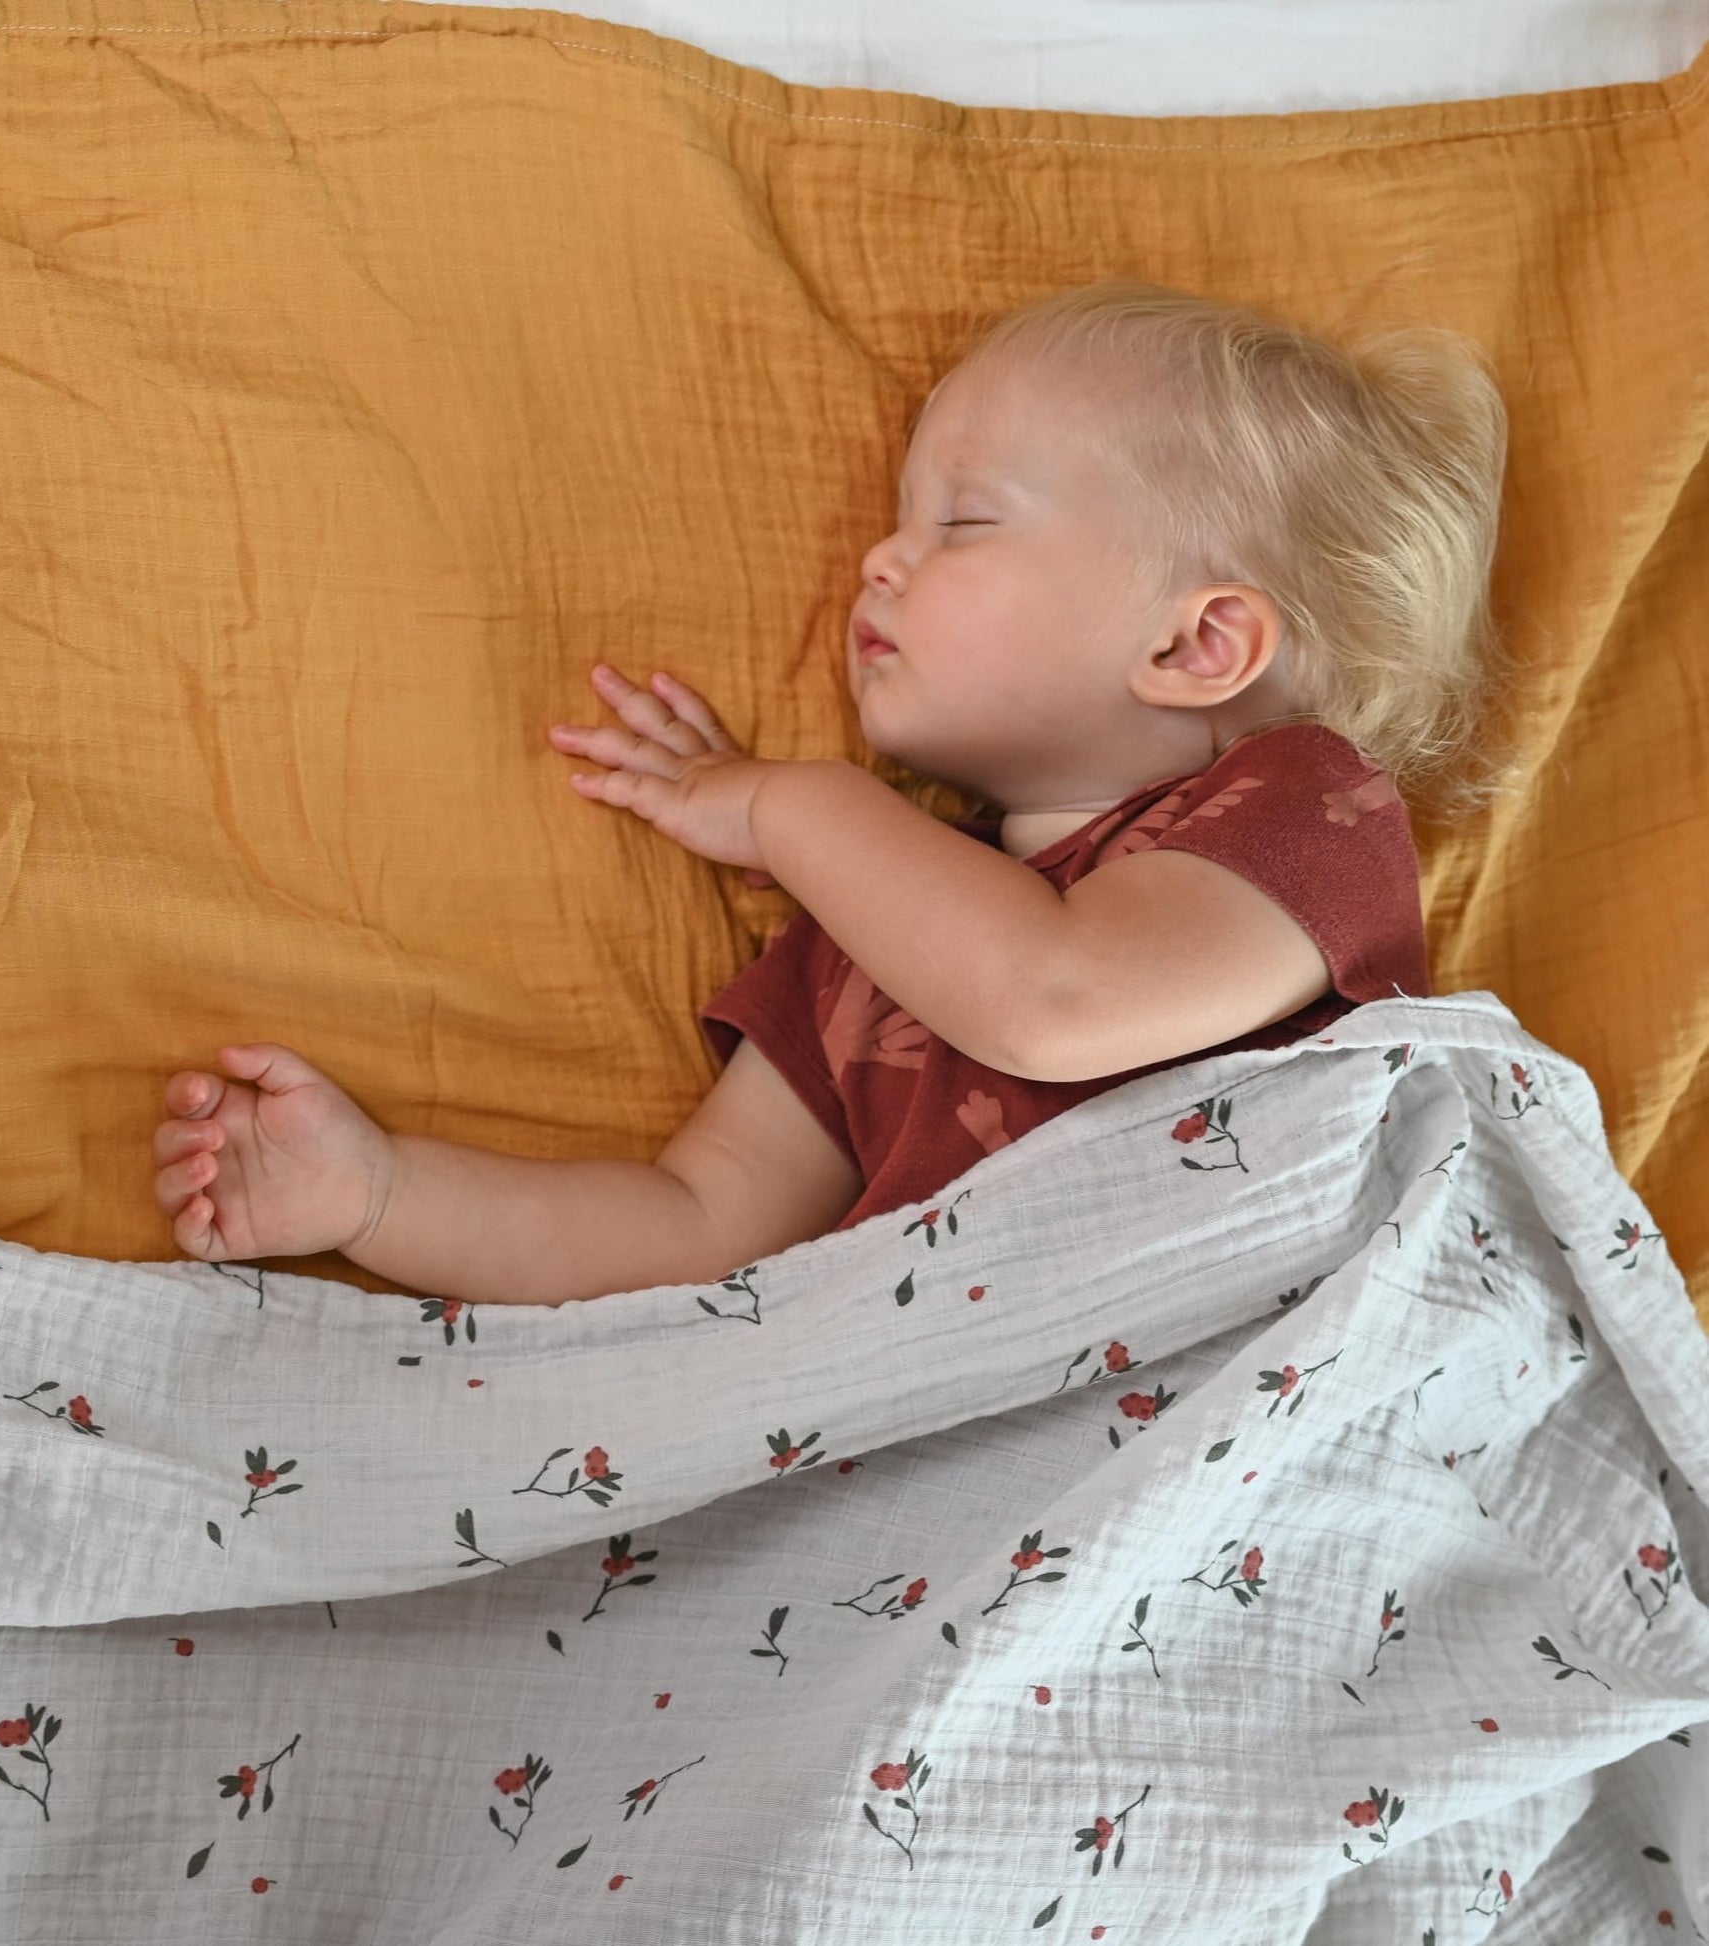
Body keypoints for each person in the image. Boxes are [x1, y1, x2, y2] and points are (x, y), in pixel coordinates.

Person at [149, 278, 1514, 1306]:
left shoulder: (1304, 805)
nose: (879, 558)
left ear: (1195, 646)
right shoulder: (862, 936)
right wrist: (380, 1195)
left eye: (962, 521)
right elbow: (699, 1232)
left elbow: (1057, 997)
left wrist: (785, 806)